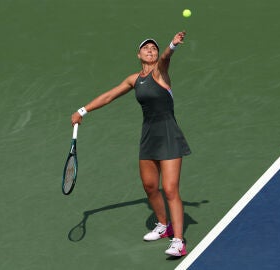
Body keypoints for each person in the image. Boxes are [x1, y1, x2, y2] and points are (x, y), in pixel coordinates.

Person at [71, 31, 191, 257]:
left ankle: (178, 241)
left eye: (153, 48)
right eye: (146, 48)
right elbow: (109, 96)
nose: (151, 50)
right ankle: (164, 226)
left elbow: (166, 58)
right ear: (138, 54)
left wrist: (172, 46)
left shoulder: (160, 71)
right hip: (148, 136)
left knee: (171, 189)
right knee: (149, 186)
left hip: (168, 134)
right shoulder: (133, 79)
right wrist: (82, 111)